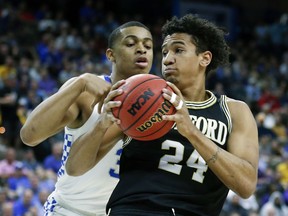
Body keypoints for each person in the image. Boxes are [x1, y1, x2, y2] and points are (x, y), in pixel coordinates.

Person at [82, 14, 258, 216]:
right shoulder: (142, 97)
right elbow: (77, 167)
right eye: (164, 52)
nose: (167, 59)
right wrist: (101, 125)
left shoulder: (234, 111)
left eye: (178, 50)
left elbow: (246, 186)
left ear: (205, 58)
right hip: (135, 209)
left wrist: (192, 133)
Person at [19, 21, 153, 216]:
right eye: (131, 43)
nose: (142, 49)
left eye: (148, 46)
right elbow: (29, 136)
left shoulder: (160, 102)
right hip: (70, 210)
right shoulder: (86, 91)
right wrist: (79, 84)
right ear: (110, 54)